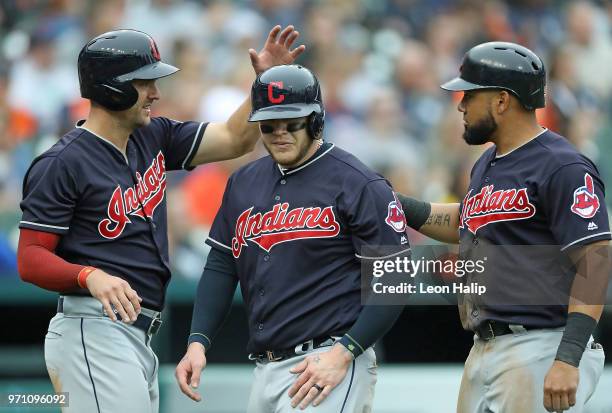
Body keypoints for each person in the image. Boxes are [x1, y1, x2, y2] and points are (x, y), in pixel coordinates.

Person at [17, 26, 305, 413]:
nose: (155, 93)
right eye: (144, 82)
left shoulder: (153, 137)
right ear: (111, 87)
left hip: (135, 335)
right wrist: (88, 275)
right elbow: (30, 258)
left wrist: (265, 83)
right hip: (94, 328)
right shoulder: (62, 162)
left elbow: (235, 140)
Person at [175, 64, 410, 412]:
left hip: (326, 359)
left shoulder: (356, 181)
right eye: (269, 125)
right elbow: (222, 265)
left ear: (315, 120)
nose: (280, 132)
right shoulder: (243, 182)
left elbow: (396, 277)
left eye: (292, 123)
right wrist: (198, 341)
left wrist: (345, 351)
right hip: (264, 367)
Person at [396, 41, 611, 412]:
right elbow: (464, 220)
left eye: (469, 95)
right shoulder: (488, 163)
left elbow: (596, 260)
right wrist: (393, 204)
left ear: (501, 101)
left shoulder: (562, 166)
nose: (460, 105)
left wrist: (568, 356)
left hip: (540, 343)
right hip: (488, 346)